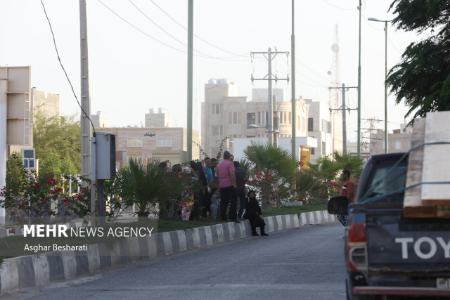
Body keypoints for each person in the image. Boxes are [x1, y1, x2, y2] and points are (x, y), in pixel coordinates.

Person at [216, 151, 238, 222]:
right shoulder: (230, 163)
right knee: (233, 201)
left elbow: (217, 176)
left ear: (223, 156)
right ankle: (233, 217)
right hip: (229, 185)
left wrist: (219, 186)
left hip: (222, 185)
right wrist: (234, 184)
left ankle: (223, 217)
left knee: (223, 202)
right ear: (229, 156)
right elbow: (232, 174)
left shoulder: (219, 165)